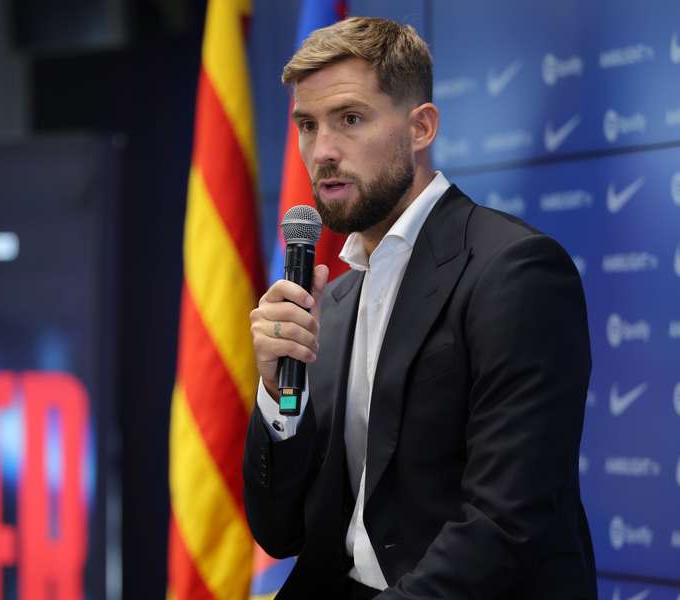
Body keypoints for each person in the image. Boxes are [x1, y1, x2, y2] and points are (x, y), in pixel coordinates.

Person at [243, 17, 596, 599]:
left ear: (420, 127)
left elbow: (504, 527)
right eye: (307, 125)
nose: (323, 151)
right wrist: (281, 399)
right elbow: (279, 532)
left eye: (350, 119)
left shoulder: (516, 271)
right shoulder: (332, 300)